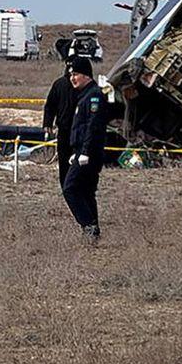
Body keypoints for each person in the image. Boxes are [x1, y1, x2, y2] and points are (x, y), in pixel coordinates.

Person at [62, 58, 107, 245]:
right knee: (86, 191)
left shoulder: (94, 96)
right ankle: (93, 232)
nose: (73, 78)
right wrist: (76, 149)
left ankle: (88, 226)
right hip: (81, 150)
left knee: (70, 188)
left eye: (76, 74)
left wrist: (85, 151)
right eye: (71, 75)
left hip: (89, 152)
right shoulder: (83, 96)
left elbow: (93, 127)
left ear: (86, 75)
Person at [43, 61, 78, 188]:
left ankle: (75, 184)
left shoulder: (83, 87)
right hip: (63, 128)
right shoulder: (59, 84)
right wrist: (47, 122)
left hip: (79, 129)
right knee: (63, 159)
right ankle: (65, 185)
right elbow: (50, 105)